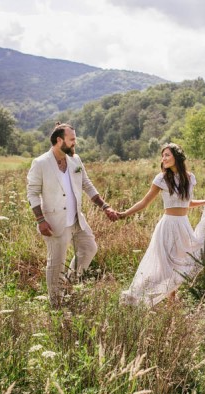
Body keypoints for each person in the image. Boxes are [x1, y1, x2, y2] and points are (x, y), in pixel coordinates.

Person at [118, 143, 205, 307]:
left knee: (181, 261)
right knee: (166, 263)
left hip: (183, 225)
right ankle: (154, 296)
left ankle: (171, 297)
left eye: (167, 155)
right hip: (168, 225)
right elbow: (145, 201)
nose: (164, 158)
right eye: (163, 156)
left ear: (177, 157)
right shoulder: (161, 179)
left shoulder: (189, 178)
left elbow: (186, 202)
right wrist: (125, 213)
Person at [27, 122, 118, 305]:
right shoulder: (41, 163)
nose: (74, 143)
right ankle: (56, 303)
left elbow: (87, 184)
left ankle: (68, 286)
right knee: (56, 263)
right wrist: (40, 220)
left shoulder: (75, 160)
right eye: (71, 140)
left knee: (89, 248)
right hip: (54, 222)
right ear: (59, 140)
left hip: (77, 219)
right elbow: (32, 192)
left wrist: (105, 206)